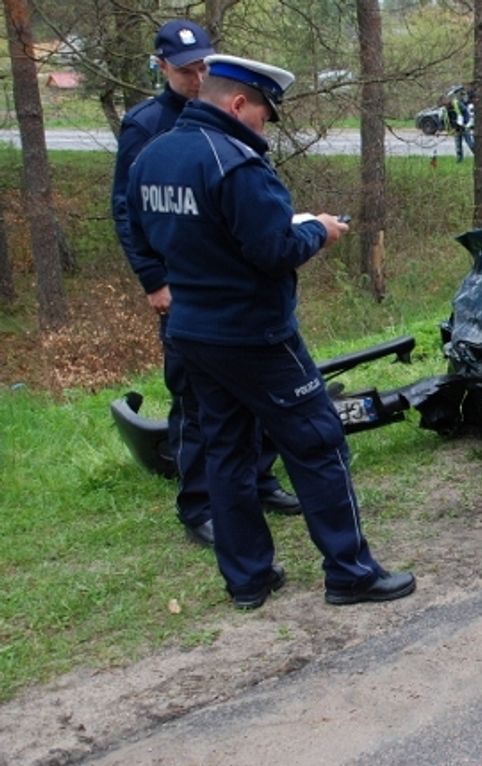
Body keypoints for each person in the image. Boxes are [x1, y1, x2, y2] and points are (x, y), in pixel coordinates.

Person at [126, 54, 416, 609]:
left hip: (191, 330)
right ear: (238, 104)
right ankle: (351, 573)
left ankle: (248, 580)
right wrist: (318, 231)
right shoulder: (236, 164)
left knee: (227, 453)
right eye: (263, 113)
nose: (263, 125)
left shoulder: (153, 156)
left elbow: (150, 235)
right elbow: (273, 251)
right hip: (255, 335)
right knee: (318, 444)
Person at [111, 20, 302, 549]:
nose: (198, 76)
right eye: (187, 68)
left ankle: (258, 479)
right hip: (186, 290)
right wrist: (153, 279)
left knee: (257, 387)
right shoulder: (147, 125)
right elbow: (128, 210)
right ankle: (198, 504)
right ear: (162, 66)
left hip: (241, 290)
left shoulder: (226, 115)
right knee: (196, 400)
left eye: (204, 65)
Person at [446, 85, 475, 162]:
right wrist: (453, 127)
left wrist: (465, 123)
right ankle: (459, 160)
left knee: (470, 143)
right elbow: (449, 119)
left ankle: (478, 157)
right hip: (456, 128)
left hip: (464, 126)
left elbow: (466, 113)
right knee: (458, 145)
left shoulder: (457, 104)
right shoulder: (447, 108)